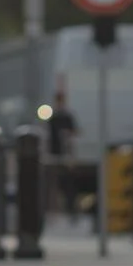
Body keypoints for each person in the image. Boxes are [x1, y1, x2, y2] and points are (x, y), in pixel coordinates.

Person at [44, 91, 80, 223]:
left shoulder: (66, 116)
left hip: (65, 155)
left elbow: (74, 133)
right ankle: (54, 211)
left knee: (68, 184)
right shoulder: (53, 117)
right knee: (53, 184)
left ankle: (70, 211)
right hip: (55, 154)